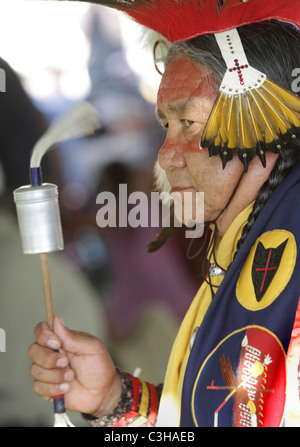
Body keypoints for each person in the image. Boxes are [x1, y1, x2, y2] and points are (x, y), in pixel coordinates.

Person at [27, 0, 300, 427]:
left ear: (259, 119)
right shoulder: (237, 248)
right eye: (165, 126)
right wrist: (114, 400)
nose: (166, 156)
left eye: (187, 122)